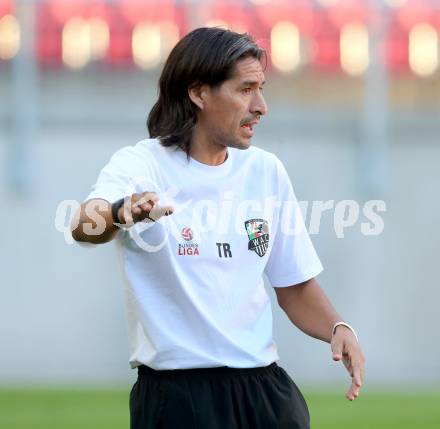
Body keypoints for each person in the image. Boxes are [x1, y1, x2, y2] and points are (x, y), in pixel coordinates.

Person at [71, 27, 365, 429]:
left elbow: (293, 285)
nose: (261, 106)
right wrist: (121, 212)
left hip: (266, 394)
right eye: (245, 89)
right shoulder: (141, 165)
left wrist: (337, 326)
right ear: (199, 93)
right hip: (177, 400)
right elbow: (84, 224)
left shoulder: (266, 171)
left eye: (261, 88)